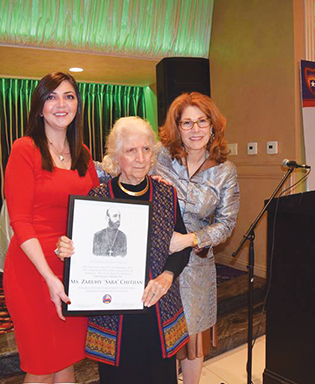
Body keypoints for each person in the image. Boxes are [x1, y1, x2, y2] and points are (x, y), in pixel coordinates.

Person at [57, 116, 191, 383]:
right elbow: (83, 253)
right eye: (131, 150)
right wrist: (68, 249)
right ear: (116, 157)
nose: (140, 158)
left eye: (146, 149)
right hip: (113, 317)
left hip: (157, 310)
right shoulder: (97, 198)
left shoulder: (167, 195)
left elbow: (181, 248)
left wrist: (167, 276)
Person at [3, 71, 99, 383]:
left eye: (68, 96)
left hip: (72, 268)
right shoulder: (25, 149)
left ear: (77, 105)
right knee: (41, 365)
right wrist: (48, 277)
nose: (61, 104)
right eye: (51, 96)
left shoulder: (83, 153)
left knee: (67, 360)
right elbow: (20, 221)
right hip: (33, 270)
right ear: (39, 107)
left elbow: (99, 207)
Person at [157, 92, 240, 383]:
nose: (195, 130)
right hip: (156, 259)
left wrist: (189, 239)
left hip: (196, 265)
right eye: (187, 123)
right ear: (176, 128)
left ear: (213, 125)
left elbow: (226, 224)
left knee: (193, 340)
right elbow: (121, 165)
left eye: (202, 121)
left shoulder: (225, 171)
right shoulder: (159, 157)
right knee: (160, 334)